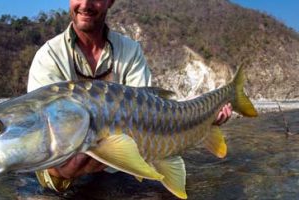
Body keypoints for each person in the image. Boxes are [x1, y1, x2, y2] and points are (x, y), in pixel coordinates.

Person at [27, 0, 232, 192]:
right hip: (66, 179)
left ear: (110, 1)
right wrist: (59, 173)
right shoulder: (48, 56)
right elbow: (42, 145)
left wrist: (207, 119)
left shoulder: (131, 50)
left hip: (124, 170)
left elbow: (151, 115)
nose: (86, 3)